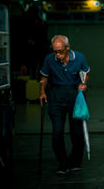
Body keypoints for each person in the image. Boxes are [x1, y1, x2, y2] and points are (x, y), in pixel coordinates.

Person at [39, 35, 90, 176]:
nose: (57, 55)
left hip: (74, 96)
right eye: (55, 51)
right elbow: (44, 78)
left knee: (76, 132)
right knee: (57, 131)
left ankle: (75, 161)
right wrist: (42, 92)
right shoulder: (49, 59)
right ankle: (62, 163)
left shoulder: (79, 57)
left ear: (68, 47)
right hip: (56, 96)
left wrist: (84, 84)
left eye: (60, 51)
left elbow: (86, 74)